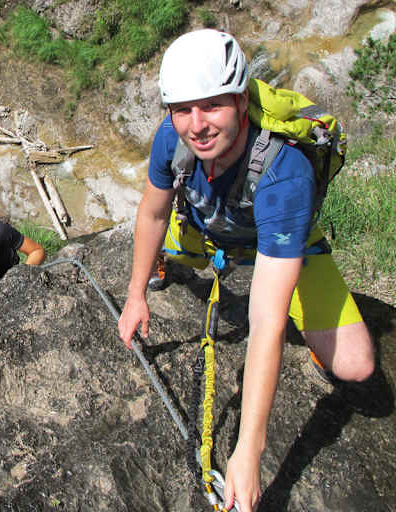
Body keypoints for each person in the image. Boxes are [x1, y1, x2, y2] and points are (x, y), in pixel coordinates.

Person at [116, 29, 375, 512]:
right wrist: (136, 295)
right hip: (201, 231)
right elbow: (152, 213)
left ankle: (306, 304)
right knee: (151, 257)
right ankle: (169, 265)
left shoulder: (283, 173)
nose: (196, 125)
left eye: (211, 106)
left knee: (356, 366)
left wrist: (248, 452)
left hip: (276, 246)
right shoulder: (174, 136)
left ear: (239, 100)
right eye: (183, 109)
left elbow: (264, 324)